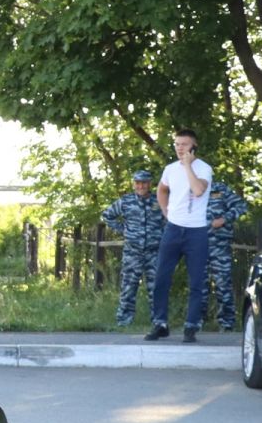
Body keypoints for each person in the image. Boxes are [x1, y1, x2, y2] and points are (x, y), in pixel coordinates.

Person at [147, 128, 212, 342]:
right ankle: (160, 323)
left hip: (196, 232)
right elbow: (162, 189)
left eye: (184, 144)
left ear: (194, 147)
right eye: (176, 144)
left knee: (196, 281)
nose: (179, 148)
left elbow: (198, 190)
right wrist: (166, 211)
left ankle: (191, 326)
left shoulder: (204, 169)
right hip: (173, 229)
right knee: (161, 278)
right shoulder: (169, 169)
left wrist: (187, 166)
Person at [99, 170, 165, 327]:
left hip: (153, 252)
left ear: (150, 184)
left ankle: (158, 321)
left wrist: (162, 234)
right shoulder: (126, 201)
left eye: (144, 183)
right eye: (138, 183)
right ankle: (124, 321)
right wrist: (124, 230)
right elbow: (107, 215)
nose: (141, 186)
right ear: (134, 184)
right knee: (129, 286)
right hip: (133, 252)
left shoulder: (159, 200)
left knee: (156, 287)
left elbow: (169, 219)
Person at [204, 177, 250, 332]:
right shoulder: (188, 189)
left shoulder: (220, 189)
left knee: (223, 283)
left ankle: (227, 323)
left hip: (219, 245)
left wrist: (224, 219)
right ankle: (197, 323)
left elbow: (241, 206)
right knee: (199, 285)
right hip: (197, 245)